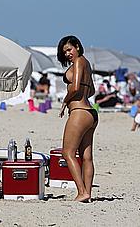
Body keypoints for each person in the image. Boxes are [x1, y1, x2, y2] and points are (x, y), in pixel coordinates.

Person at [57, 35, 98, 202]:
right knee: (86, 156)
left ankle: (82, 192)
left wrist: (65, 102)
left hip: (80, 112)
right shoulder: (86, 64)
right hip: (91, 113)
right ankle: (87, 193)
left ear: (78, 47)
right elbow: (92, 91)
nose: (67, 54)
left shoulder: (79, 61)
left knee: (68, 153)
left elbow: (73, 88)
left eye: (69, 49)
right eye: (64, 52)